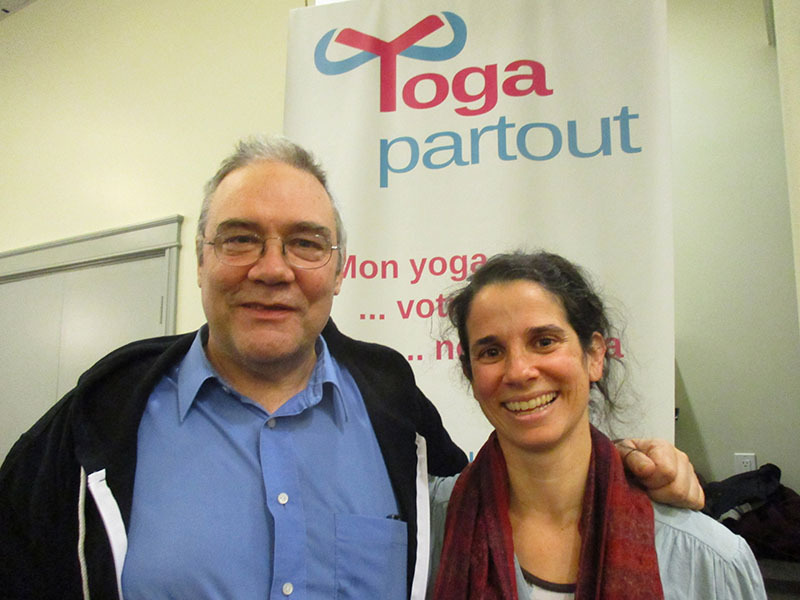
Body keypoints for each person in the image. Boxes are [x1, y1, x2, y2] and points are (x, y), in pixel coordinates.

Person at [0, 136, 702, 600]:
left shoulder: (398, 417)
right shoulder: (95, 425)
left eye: (306, 244)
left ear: (340, 271)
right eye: (240, 239)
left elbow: (509, 489)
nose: (273, 269)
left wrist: (642, 469)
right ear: (201, 260)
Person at [429, 251, 766, 599]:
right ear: (471, 375)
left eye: (544, 342)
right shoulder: (429, 530)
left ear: (594, 356)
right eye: (491, 352)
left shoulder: (709, 560)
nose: (518, 371)